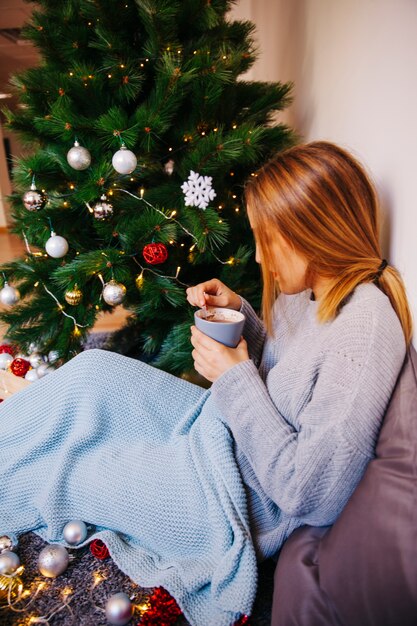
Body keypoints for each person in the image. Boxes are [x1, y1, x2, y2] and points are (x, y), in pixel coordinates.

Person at [0, 141, 412, 626]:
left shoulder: (364, 329)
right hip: (215, 430)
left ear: (313, 233)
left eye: (270, 240)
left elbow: (312, 493)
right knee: (95, 372)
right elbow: (287, 372)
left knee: (73, 470)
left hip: (223, 497)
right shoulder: (320, 286)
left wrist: (233, 375)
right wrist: (242, 314)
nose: (260, 255)